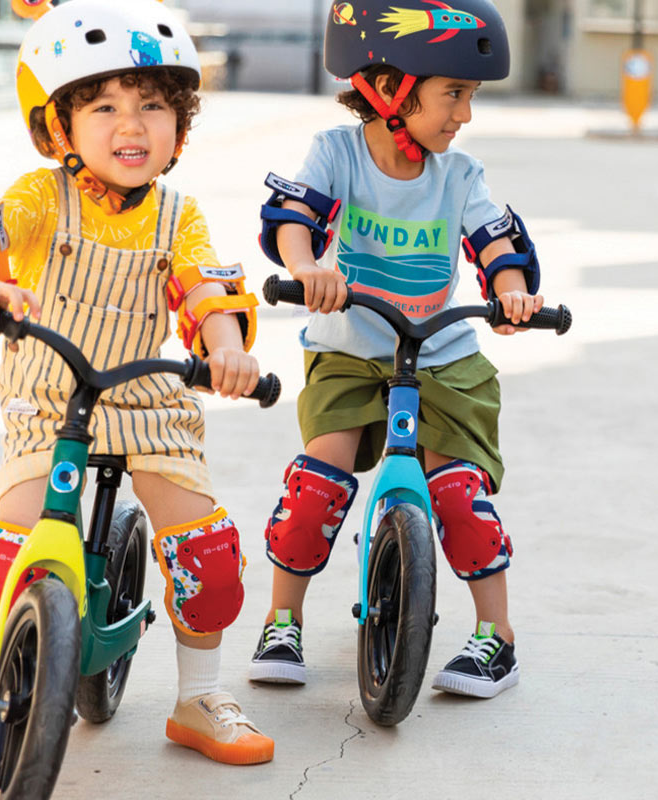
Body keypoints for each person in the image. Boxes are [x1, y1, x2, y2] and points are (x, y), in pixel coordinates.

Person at [0, 0, 273, 776]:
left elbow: (209, 293)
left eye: (153, 105)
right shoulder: (42, 198)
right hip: (48, 401)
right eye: (106, 105)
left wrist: (226, 351)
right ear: (60, 128)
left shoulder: (178, 217)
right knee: (13, 543)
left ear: (178, 127)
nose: (133, 124)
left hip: (146, 399)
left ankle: (199, 697)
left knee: (206, 550)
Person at [249, 0, 542, 701]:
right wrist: (307, 267)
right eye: (453, 95)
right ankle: (280, 619)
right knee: (316, 486)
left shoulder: (459, 174)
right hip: (348, 349)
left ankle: (495, 639)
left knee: (458, 494)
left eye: (469, 98)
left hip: (441, 353)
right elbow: (296, 219)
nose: (463, 115)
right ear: (388, 89)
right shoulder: (337, 152)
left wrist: (510, 290)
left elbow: (493, 241)